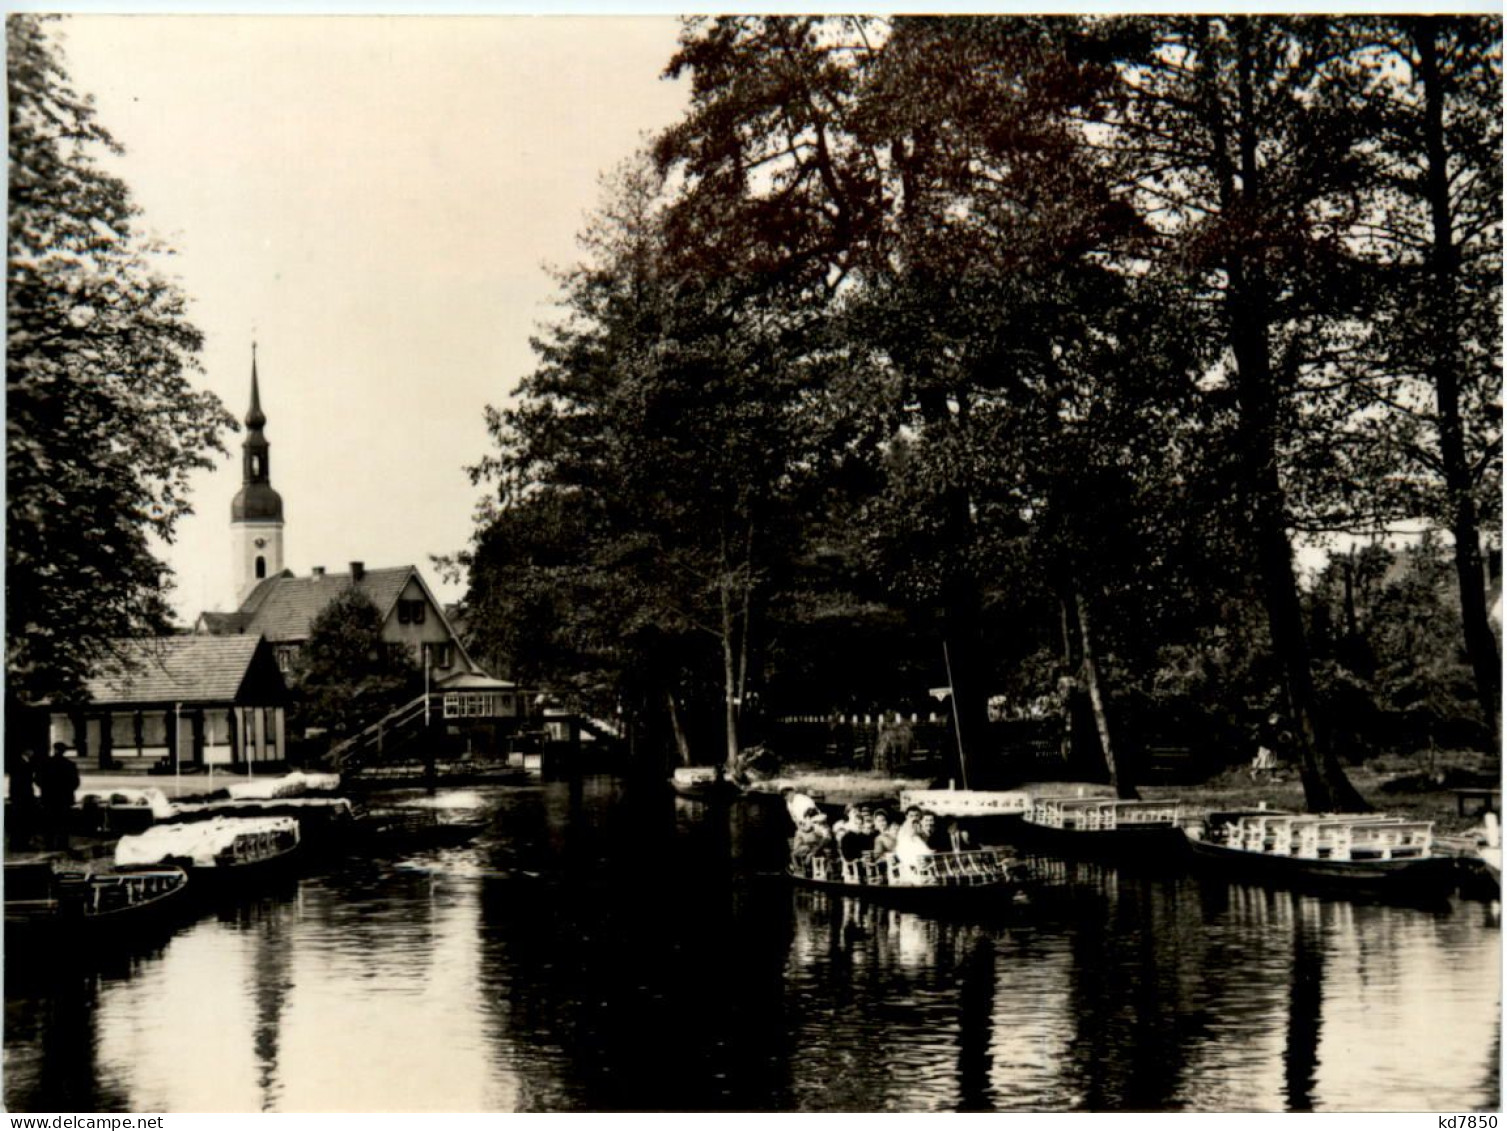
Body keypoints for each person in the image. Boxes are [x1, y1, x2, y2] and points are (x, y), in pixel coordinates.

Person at [36, 742, 80, 850]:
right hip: (64, 798)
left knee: (49, 821)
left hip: (49, 797)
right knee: (63, 822)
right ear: (64, 751)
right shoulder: (70, 764)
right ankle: (62, 844)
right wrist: (67, 790)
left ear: (54, 749)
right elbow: (75, 782)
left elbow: (38, 779)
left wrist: (45, 789)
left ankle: (49, 844)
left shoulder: (45, 763)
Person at [7, 748, 37, 851]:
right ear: (27, 752)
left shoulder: (23, 763)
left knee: (21, 822)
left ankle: (20, 844)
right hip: (22, 797)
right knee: (21, 822)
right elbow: (18, 782)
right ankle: (20, 844)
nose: (33, 753)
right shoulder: (21, 764)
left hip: (21, 796)